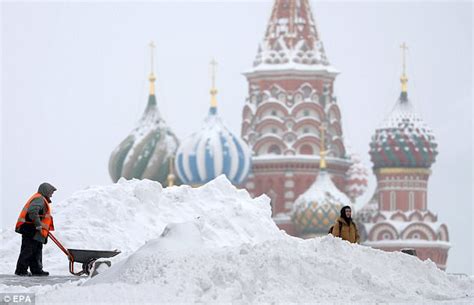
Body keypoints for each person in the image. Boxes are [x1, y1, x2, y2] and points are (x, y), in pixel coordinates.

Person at [14, 183, 56, 276]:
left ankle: (36, 270)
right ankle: (21, 270)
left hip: (35, 230)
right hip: (31, 229)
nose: (52, 194)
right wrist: (38, 225)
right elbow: (32, 211)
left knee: (36, 250)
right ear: (46, 190)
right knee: (28, 250)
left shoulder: (42, 199)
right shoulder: (39, 199)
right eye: (51, 192)